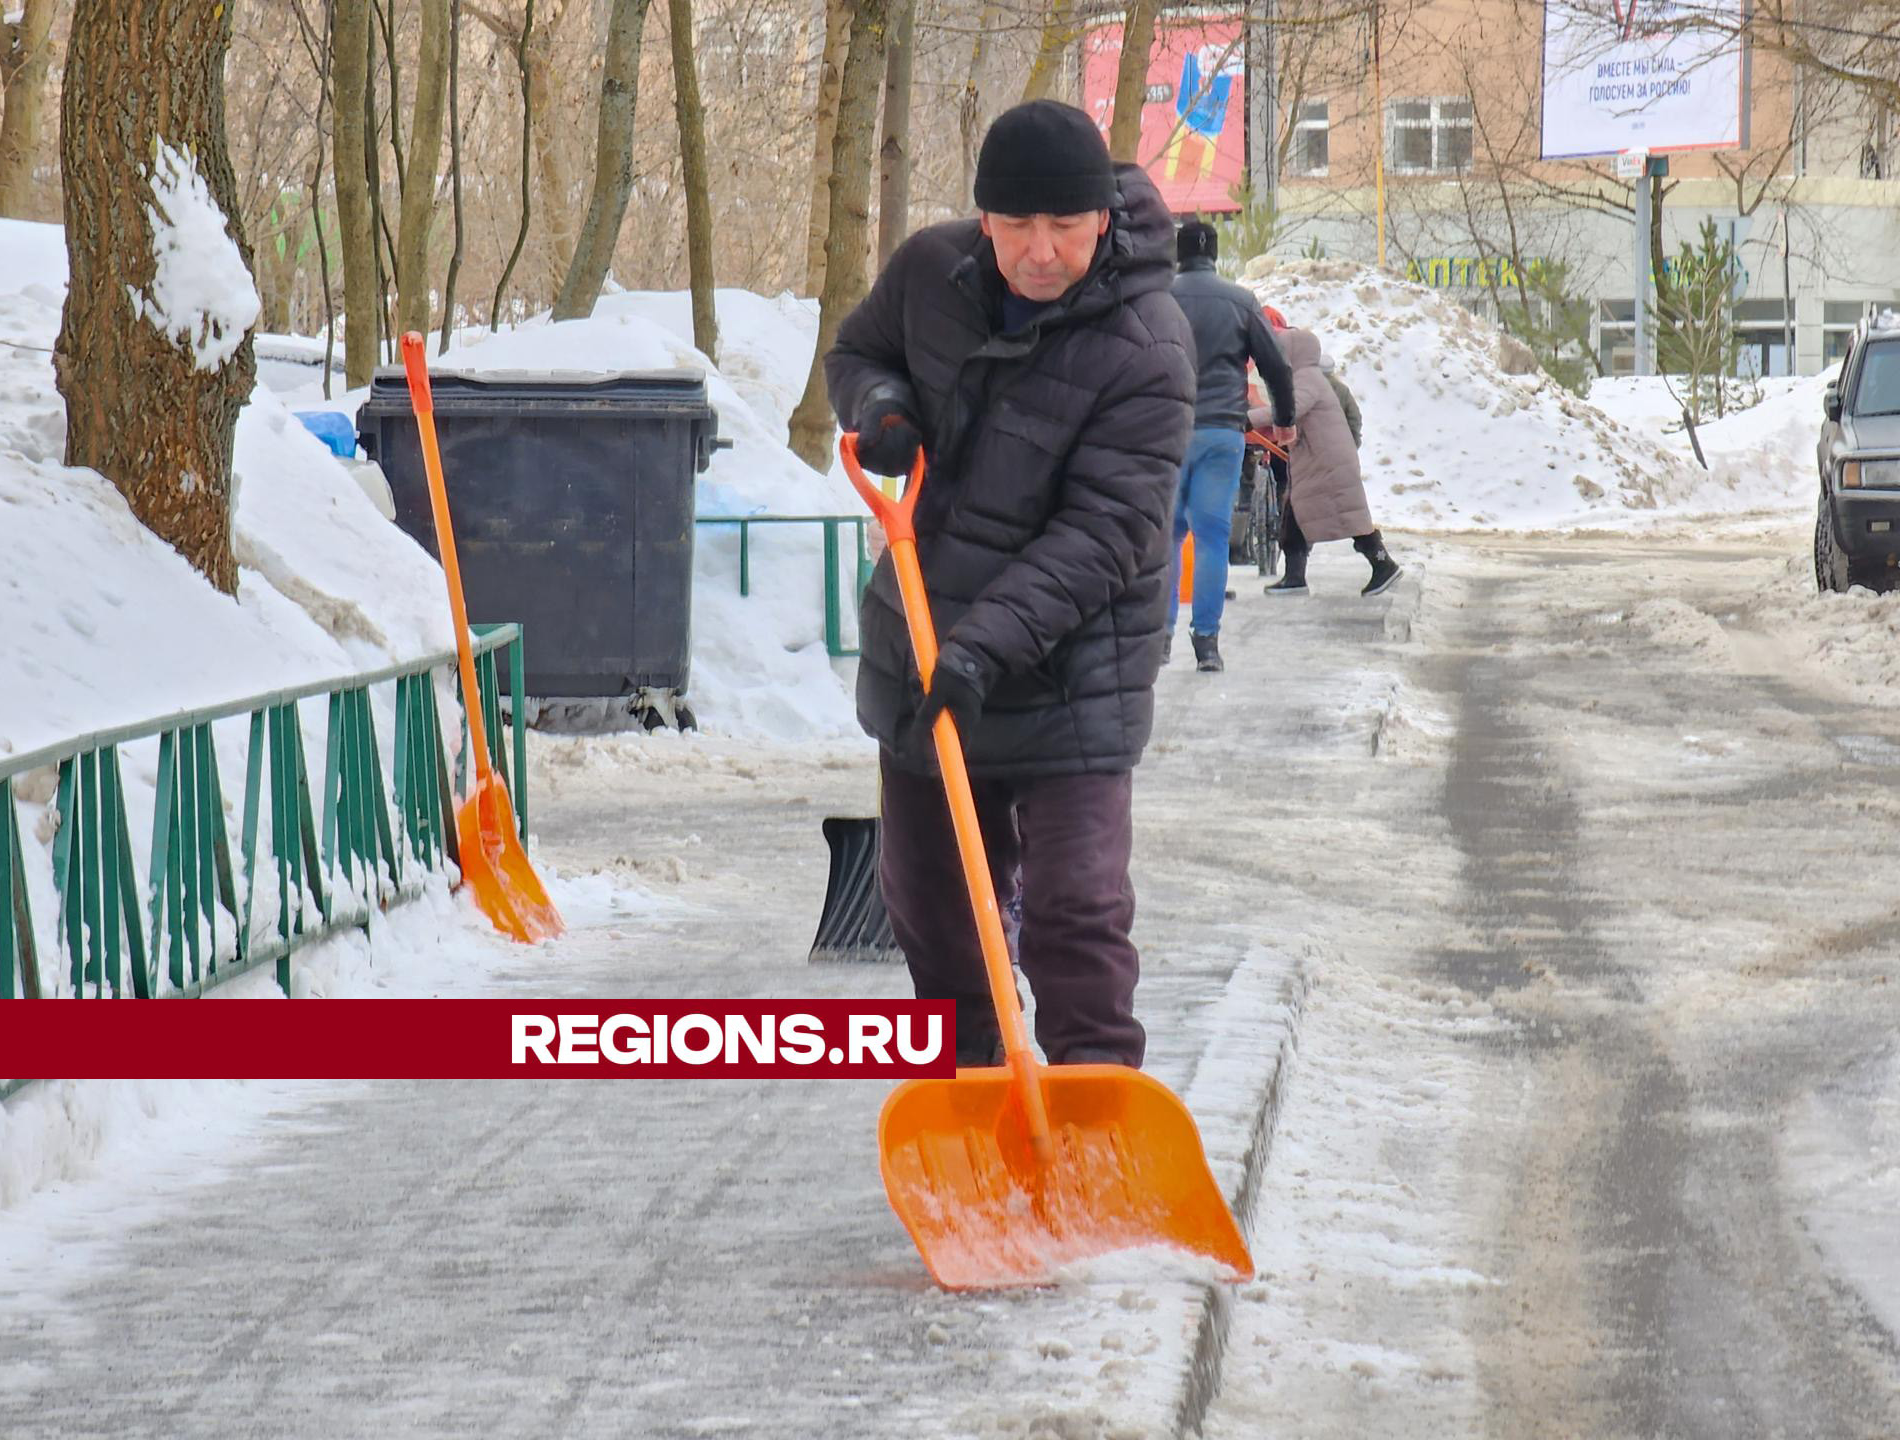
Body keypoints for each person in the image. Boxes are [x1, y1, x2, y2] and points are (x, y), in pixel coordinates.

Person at [823, 100, 1195, 1070]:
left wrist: (979, 649)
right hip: (928, 653)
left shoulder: (1147, 346)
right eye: (1016, 225)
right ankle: (980, 1108)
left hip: (1075, 670)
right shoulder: (928, 273)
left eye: (1064, 227)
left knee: (1074, 915)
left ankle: (1098, 1115)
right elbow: (859, 351)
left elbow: (1105, 531)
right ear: (983, 218)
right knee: (937, 924)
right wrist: (884, 405)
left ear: (1102, 221)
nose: (1040, 250)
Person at [1166, 221, 1295, 672]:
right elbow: (1276, 366)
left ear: (1178, 253)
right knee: (1213, 536)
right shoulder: (1240, 301)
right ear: (1215, 255)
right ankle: (1207, 643)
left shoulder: (1160, 298)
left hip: (1168, 429)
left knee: (1166, 534)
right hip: (1223, 431)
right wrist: (1284, 420)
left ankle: (1159, 639)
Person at [1253, 328, 1402, 597]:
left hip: (1326, 464)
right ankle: (1295, 577)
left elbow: (1291, 410)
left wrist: (1248, 418)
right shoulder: (1304, 377)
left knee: (1349, 517)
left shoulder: (1306, 378)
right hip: (1319, 462)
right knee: (1297, 514)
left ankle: (1384, 565)